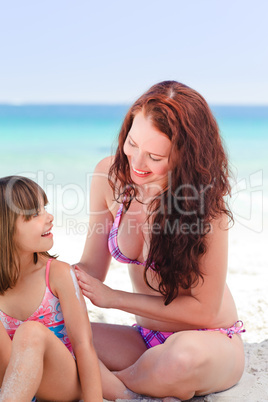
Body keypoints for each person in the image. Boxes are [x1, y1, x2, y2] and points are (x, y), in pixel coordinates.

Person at [75, 80, 246, 401]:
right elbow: (90, 270)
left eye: (155, 156)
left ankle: (112, 387)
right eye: (132, 143)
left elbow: (205, 311)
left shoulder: (206, 208)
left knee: (180, 359)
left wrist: (112, 298)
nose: (137, 163)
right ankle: (132, 384)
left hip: (208, 340)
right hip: (144, 338)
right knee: (56, 336)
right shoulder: (108, 177)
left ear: (186, 155)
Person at [0, 175, 133, 402]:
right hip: (14, 383)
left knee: (30, 332)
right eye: (34, 214)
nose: (49, 217)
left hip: (62, 383)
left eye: (44, 208)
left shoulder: (58, 274)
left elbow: (84, 346)